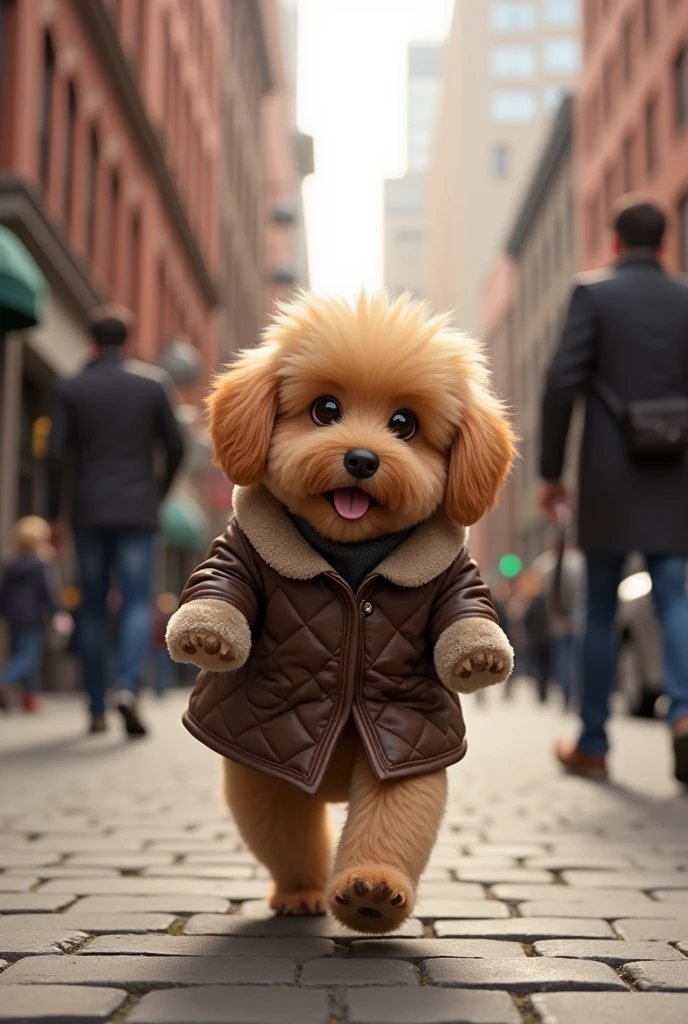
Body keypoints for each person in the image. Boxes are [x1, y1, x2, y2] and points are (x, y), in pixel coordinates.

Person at [539, 195, 688, 783]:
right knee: (674, 594)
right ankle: (684, 714)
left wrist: (552, 472)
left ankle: (595, 742)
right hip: (676, 469)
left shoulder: (592, 294)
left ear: (616, 243)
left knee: (599, 606)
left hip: (608, 469)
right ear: (666, 244)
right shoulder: (686, 298)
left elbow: (559, 382)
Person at [46, 306, 185, 736]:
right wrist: (156, 494)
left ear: (90, 343)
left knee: (90, 606)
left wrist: (54, 515)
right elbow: (177, 446)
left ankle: (94, 706)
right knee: (136, 602)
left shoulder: (71, 387)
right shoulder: (152, 386)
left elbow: (53, 455)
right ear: (128, 343)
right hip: (138, 509)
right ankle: (126, 687)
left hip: (87, 510)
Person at [0, 517, 72, 712]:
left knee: (21, 653)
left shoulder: (11, 564)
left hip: (13, 618)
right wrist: (58, 612)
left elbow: (3, 593)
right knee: (28, 657)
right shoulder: (41, 564)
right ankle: (5, 682)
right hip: (33, 617)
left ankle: (29, 698)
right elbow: (48, 591)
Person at [522, 571, 552, 703]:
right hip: (547, 638)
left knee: (538, 667)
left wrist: (529, 635)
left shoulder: (533, 603)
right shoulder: (548, 603)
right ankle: (544, 691)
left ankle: (541, 691)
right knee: (546, 667)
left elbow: (527, 620)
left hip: (536, 640)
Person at [151, 592, 178, 696]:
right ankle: (159, 688)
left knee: (163, 668)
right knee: (160, 668)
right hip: (159, 648)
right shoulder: (158, 618)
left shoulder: (168, 618)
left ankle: (162, 687)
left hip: (164, 647)